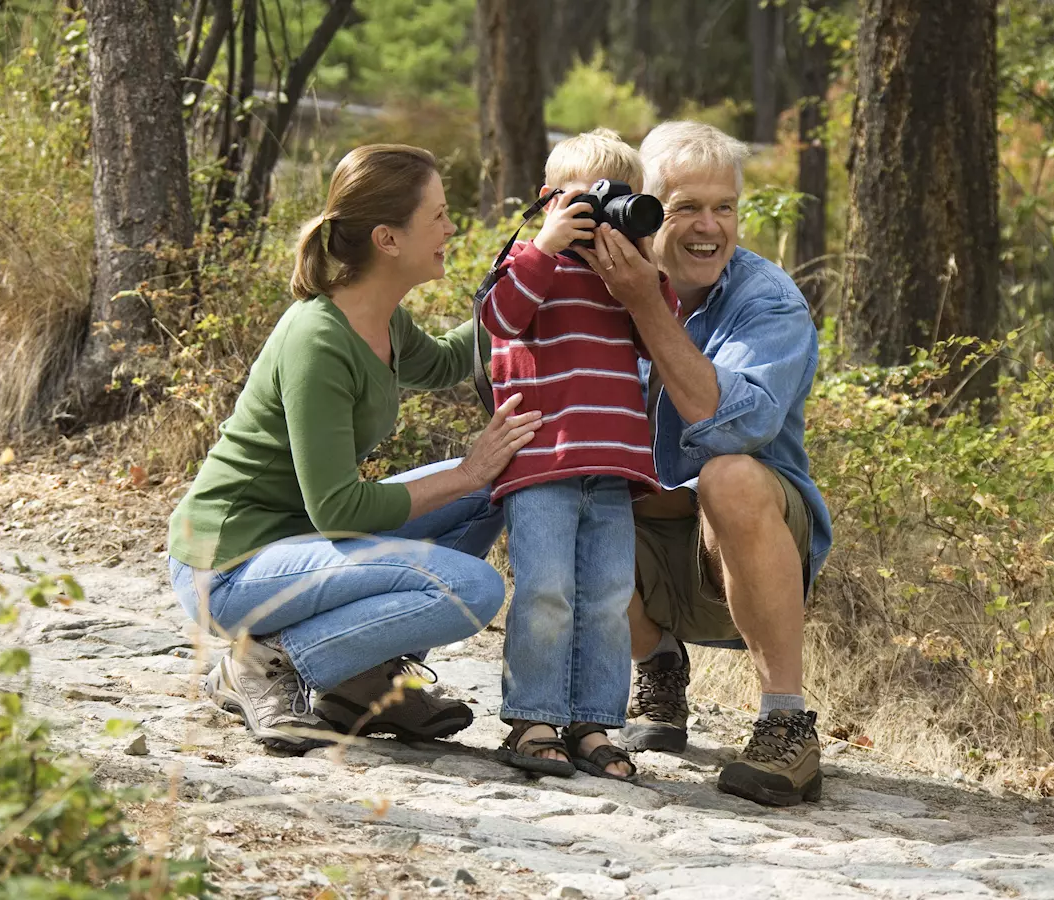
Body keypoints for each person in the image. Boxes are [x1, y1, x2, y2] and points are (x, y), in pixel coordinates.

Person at [166, 144, 543, 754]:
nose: (451, 229)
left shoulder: (383, 321)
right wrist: (468, 470)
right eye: (439, 216)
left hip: (296, 551)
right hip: (229, 564)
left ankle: (360, 679)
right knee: (470, 588)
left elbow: (449, 360)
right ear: (387, 239)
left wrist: (536, 268)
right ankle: (262, 662)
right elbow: (338, 511)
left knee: (493, 488)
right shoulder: (318, 340)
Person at [572, 121, 833, 807]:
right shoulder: (598, 284)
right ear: (644, 208)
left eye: (725, 208)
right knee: (558, 480)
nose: (708, 227)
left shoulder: (765, 299)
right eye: (686, 207)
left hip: (742, 554)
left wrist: (644, 309)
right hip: (649, 549)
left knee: (731, 473)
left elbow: (736, 426)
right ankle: (657, 666)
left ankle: (786, 724)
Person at [481, 129, 677, 781]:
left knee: (607, 596)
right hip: (543, 466)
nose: (602, 213)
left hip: (613, 468)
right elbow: (499, 318)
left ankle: (593, 721)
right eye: (588, 200)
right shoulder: (529, 261)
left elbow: (659, 336)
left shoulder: (623, 277)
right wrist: (545, 246)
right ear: (548, 202)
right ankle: (533, 718)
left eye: (620, 199)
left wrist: (642, 270)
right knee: (545, 592)